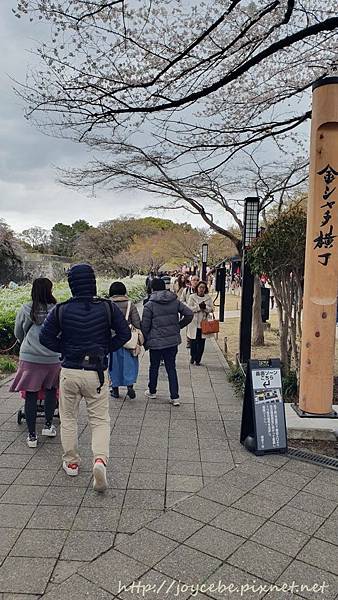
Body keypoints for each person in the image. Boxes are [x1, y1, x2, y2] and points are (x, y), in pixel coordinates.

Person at [39, 264, 131, 492]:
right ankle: (100, 460)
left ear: (71, 284)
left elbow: (45, 337)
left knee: (69, 419)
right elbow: (125, 334)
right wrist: (104, 348)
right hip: (96, 373)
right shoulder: (107, 307)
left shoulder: (61, 309)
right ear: (93, 281)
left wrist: (65, 349)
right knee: (99, 420)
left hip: (70, 371)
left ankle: (71, 462)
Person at [10, 278, 61, 448]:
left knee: (30, 394)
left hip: (30, 357)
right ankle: (48, 425)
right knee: (51, 391)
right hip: (53, 357)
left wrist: (27, 341)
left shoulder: (26, 308)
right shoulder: (57, 309)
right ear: (50, 290)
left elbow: (18, 332)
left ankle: (32, 436)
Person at [141, 278, 193, 407]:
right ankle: (175, 397)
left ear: (152, 289)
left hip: (156, 342)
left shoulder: (149, 304)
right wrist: (178, 326)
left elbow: (145, 326)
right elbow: (189, 314)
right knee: (171, 368)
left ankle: (152, 391)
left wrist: (145, 341)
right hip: (171, 341)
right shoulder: (174, 301)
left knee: (154, 367)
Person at [108, 281, 142, 400]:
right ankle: (129, 386)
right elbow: (137, 323)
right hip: (128, 339)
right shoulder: (130, 304)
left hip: (112, 340)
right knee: (129, 363)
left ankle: (115, 389)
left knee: (114, 365)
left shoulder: (107, 304)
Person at [187, 281, 213, 365]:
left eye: (203, 287)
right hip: (194, 322)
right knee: (193, 341)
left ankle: (198, 359)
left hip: (203, 323)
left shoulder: (208, 298)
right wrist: (198, 307)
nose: (201, 289)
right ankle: (193, 356)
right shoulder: (192, 297)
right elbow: (189, 308)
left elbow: (211, 309)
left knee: (201, 342)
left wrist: (205, 307)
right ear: (197, 288)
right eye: (200, 287)